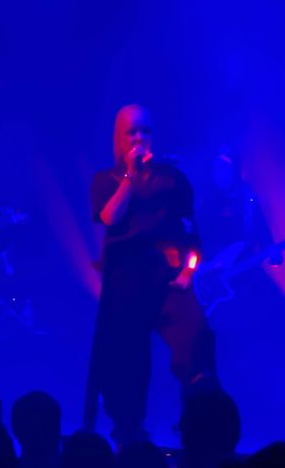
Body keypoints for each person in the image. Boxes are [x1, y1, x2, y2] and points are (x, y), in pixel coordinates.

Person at [84, 104, 214, 445]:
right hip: (126, 279)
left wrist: (188, 272)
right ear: (119, 138)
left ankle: (200, 426)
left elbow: (191, 231)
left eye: (145, 131)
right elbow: (111, 217)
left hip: (169, 277)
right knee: (127, 359)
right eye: (132, 132)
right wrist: (130, 174)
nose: (140, 138)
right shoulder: (106, 180)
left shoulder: (173, 179)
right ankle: (130, 435)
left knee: (197, 339)